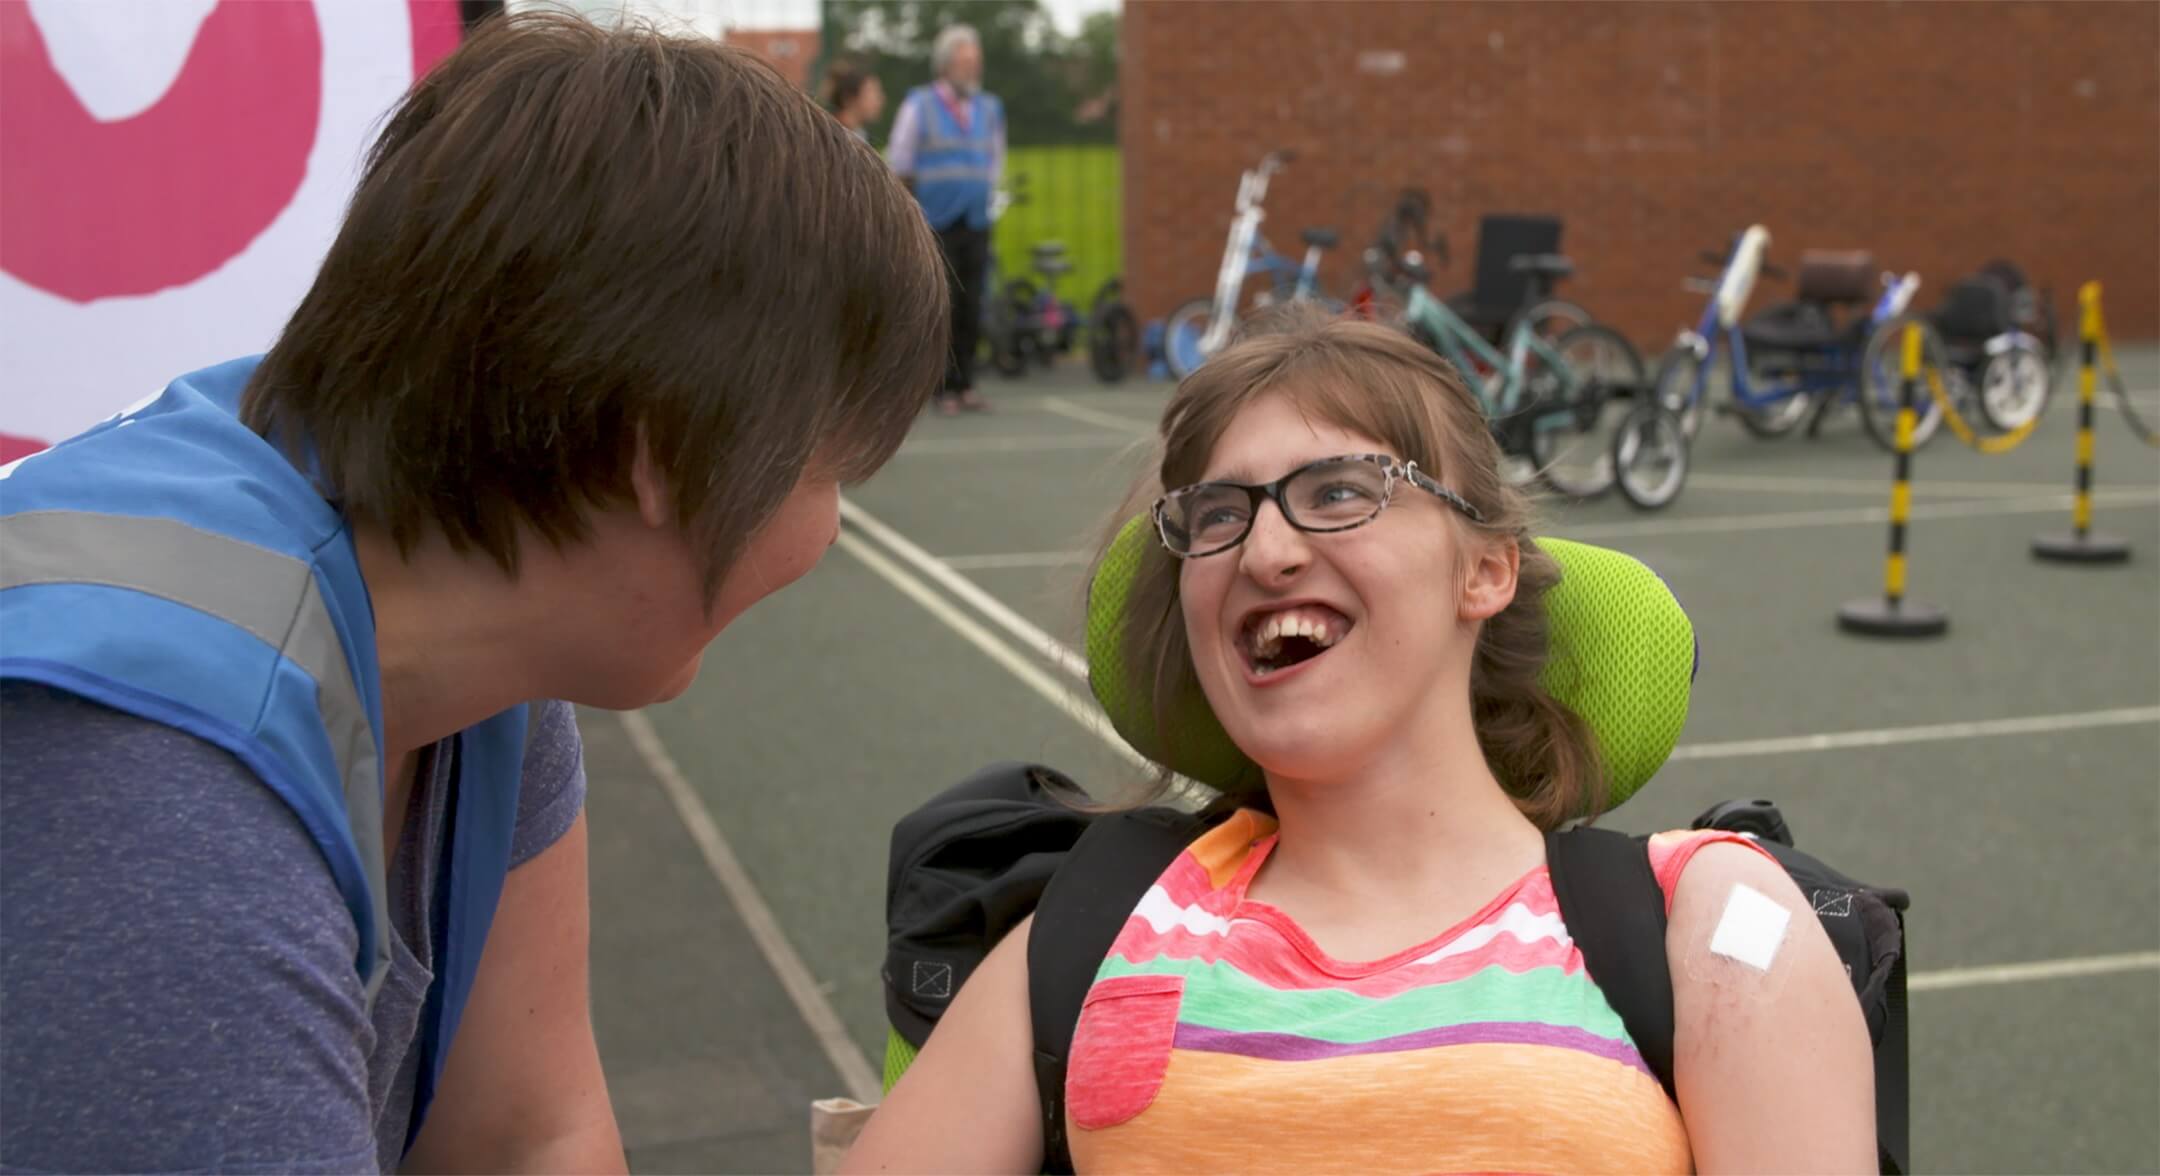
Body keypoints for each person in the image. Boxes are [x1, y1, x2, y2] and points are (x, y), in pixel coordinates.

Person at [0, 11, 945, 1174]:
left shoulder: (470, 610)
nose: (830, 528)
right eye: (826, 469)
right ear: (662, 450)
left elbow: (524, 1133)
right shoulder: (156, 819)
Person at [843, 307, 1876, 1173]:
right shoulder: (1093, 926)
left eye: (1339, 491)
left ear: (1486, 571)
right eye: (1217, 514)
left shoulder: (1704, 924)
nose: (1266, 551)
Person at [886, 24, 1004, 416]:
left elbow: (995, 159)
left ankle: (966, 382)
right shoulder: (919, 105)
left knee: (973, 302)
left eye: (977, 63)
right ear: (946, 64)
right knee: (942, 304)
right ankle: (940, 387)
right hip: (936, 220)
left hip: (976, 218)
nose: (973, 69)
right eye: (966, 62)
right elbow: (900, 162)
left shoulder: (989, 108)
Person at [821, 54, 886, 140]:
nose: (880, 100)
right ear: (849, 98)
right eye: (873, 92)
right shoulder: (829, 135)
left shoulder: (858, 136)